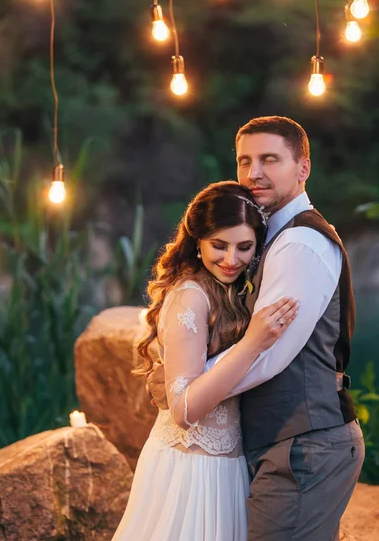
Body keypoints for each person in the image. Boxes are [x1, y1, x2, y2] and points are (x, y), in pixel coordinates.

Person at [148, 116, 365, 541]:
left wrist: (188, 386)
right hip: (281, 444)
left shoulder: (300, 243)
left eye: (269, 159)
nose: (254, 173)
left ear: (303, 168)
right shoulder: (268, 235)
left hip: (303, 443)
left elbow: (269, 354)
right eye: (244, 161)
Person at [112, 181, 298, 541]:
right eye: (219, 245)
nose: (231, 260)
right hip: (188, 470)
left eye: (244, 247)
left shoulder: (231, 291)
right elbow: (183, 410)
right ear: (197, 241)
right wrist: (253, 343)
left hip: (226, 466)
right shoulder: (190, 297)